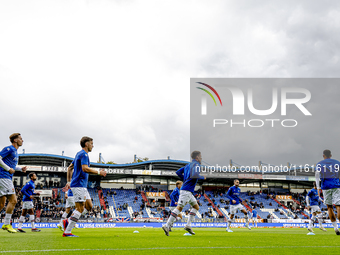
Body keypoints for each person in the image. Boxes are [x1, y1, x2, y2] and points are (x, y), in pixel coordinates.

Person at [62, 136, 106, 237]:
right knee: (80, 209)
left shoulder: (79, 154)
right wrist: (99, 172)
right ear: (86, 144)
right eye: (91, 143)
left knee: (89, 206)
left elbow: (69, 168)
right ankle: (67, 231)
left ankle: (68, 221)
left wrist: (69, 182)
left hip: (81, 185)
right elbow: (85, 169)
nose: (93, 145)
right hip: (79, 185)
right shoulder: (84, 154)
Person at [162, 151, 206, 236]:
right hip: (186, 190)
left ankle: (188, 225)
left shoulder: (187, 165)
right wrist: (202, 177)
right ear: (197, 157)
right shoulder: (196, 164)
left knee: (196, 207)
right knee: (179, 208)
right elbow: (195, 175)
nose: (201, 158)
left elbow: (178, 172)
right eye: (200, 156)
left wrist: (185, 179)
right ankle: (167, 225)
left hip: (188, 191)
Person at [0, 133, 27, 233]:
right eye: (20, 138)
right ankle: (7, 224)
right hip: (4, 177)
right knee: (13, 200)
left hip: (4, 177)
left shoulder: (15, 152)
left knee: (1, 204)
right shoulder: (9, 149)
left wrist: (20, 168)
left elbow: (11, 166)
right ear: (15, 140)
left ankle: (6, 224)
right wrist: (8, 169)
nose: (22, 140)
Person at [315, 149, 340, 235]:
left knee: (329, 207)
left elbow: (317, 176)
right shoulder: (337, 163)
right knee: (338, 206)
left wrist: (318, 188)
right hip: (336, 185)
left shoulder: (319, 164)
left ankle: (336, 228)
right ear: (331, 155)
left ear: (323, 155)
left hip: (325, 186)